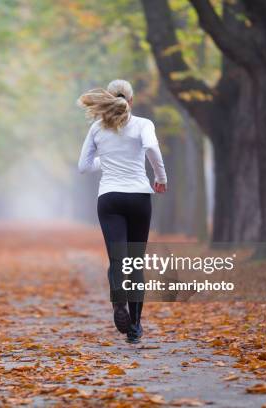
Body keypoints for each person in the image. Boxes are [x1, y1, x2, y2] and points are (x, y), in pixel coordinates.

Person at [77, 79, 167, 344]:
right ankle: (136, 326)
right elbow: (151, 147)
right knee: (136, 262)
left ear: (108, 97)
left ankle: (119, 305)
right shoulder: (143, 124)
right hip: (139, 197)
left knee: (118, 259)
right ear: (131, 100)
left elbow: (83, 166)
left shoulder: (97, 128)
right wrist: (160, 177)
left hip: (110, 198)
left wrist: (107, 160)